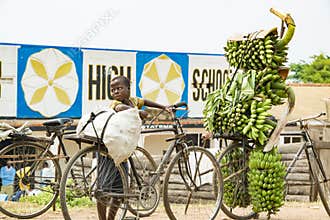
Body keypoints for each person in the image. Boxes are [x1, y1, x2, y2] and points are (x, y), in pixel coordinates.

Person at [97, 75, 170, 220]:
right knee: (103, 191)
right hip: (109, 153)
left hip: (123, 152)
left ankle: (111, 218)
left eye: (119, 88)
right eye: (113, 90)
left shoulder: (134, 101)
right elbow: (121, 108)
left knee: (120, 191)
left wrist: (164, 107)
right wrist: (137, 112)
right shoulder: (115, 104)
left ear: (128, 89)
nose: (116, 92)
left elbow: (145, 101)